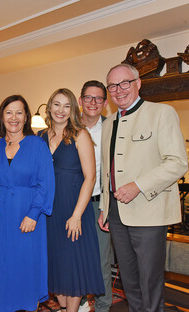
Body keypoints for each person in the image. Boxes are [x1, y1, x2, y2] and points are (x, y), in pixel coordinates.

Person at [99, 63, 188, 312]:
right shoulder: (108, 124)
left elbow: (178, 162)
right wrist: (105, 209)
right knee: (129, 280)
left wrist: (138, 186)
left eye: (125, 83)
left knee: (150, 280)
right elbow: (107, 172)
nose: (119, 90)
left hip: (149, 211)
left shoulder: (162, 113)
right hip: (116, 213)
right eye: (113, 86)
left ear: (138, 83)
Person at [0, 95, 55, 312]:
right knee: (2, 267)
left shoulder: (37, 144)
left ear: (26, 117)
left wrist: (34, 213)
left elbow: (47, 182)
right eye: (8, 112)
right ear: (1, 116)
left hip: (27, 215)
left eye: (19, 112)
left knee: (26, 268)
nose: (13, 117)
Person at [38, 88, 104, 312]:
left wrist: (76, 216)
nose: (61, 110)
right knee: (57, 267)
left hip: (73, 210)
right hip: (49, 212)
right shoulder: (40, 137)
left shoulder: (80, 134)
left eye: (66, 106)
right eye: (56, 104)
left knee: (73, 267)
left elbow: (90, 177)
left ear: (73, 109)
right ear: (49, 107)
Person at [78, 81, 112, 312]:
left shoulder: (113, 127)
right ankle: (77, 302)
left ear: (105, 103)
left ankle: (102, 306)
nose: (93, 103)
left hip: (100, 203)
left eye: (98, 98)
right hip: (70, 205)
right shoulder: (67, 127)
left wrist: (109, 207)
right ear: (80, 101)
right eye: (88, 98)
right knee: (74, 258)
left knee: (101, 260)